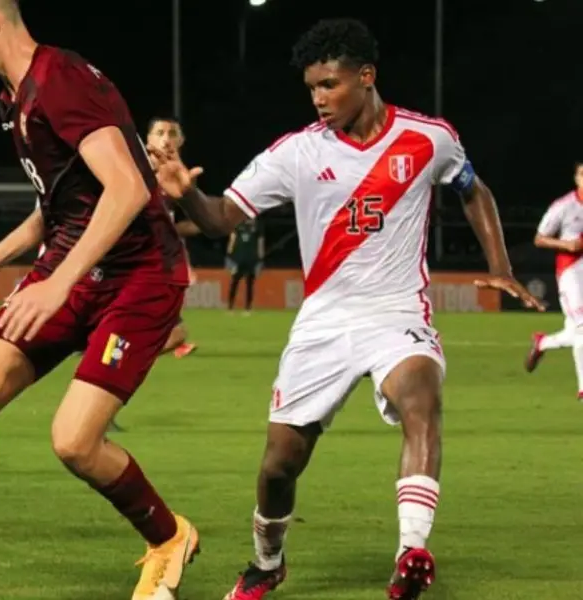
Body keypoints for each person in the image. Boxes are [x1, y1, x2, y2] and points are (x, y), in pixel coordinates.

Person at [153, 19, 543, 600]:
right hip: (325, 319)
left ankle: (411, 553)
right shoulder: (296, 152)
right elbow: (219, 221)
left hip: (397, 311)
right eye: (311, 87)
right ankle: (268, 561)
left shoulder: (429, 138)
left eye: (329, 85)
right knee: (280, 465)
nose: (318, 98)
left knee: (421, 398)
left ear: (367, 77)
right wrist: (183, 190)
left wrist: (502, 265)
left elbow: (473, 189)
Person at [0, 2, 200, 599]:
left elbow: (127, 189)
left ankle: (169, 537)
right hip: (74, 266)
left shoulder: (59, 80)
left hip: (140, 275)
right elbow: (58, 204)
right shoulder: (16, 97)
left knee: (74, 442)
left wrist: (58, 283)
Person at [524, 161, 583, 395]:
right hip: (571, 272)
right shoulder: (564, 206)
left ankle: (543, 342)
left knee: (577, 331)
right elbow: (539, 238)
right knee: (582, 328)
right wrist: (566, 244)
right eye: (582, 174)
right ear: (576, 178)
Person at [147, 115, 199, 358]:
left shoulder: (178, 177)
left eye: (172, 134)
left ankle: (112, 357)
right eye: (159, 133)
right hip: (127, 262)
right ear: (148, 139)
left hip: (155, 263)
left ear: (182, 141)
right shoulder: (134, 170)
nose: (166, 139)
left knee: (176, 332)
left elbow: (182, 224)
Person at [226, 218, 264, 314]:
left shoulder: (257, 228)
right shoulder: (238, 227)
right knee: (234, 283)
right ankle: (230, 307)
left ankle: (248, 308)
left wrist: (260, 259)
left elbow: (260, 243)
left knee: (249, 284)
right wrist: (229, 256)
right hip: (238, 260)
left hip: (251, 260)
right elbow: (232, 240)